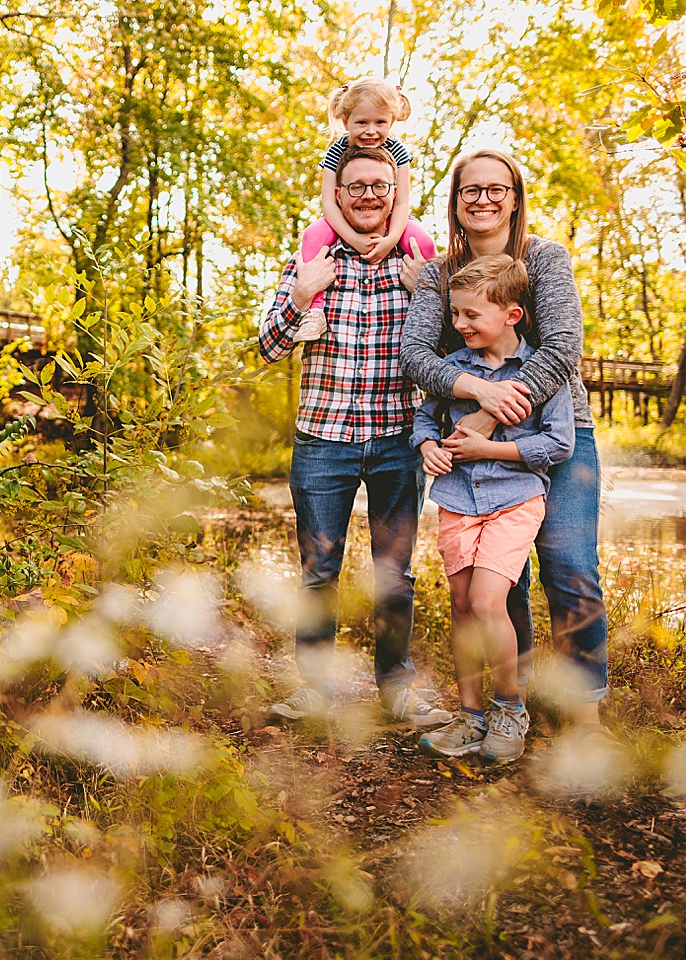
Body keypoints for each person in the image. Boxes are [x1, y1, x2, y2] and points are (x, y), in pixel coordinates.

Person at [400, 148, 610, 732]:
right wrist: (475, 390)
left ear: (515, 197)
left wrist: (494, 413)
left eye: (497, 188)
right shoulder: (441, 275)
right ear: (456, 201)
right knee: (497, 583)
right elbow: (414, 356)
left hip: (556, 431)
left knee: (569, 567)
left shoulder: (544, 258)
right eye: (471, 189)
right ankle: (505, 705)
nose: (484, 199)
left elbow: (564, 347)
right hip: (470, 453)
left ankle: (586, 713)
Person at [259, 142, 450, 730]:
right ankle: (313, 690)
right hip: (323, 441)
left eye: (380, 186)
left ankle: (395, 688)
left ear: (395, 193)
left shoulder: (420, 262)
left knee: (395, 573)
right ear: (337, 195)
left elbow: (455, 353)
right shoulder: (312, 259)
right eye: (357, 185)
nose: (369, 194)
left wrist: (430, 296)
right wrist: (298, 297)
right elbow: (268, 348)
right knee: (319, 570)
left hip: (398, 438)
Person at [410, 255, 574, 763]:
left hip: (515, 500)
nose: (458, 325)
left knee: (486, 603)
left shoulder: (541, 374)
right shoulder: (454, 370)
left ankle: (509, 708)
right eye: (455, 315)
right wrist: (428, 448)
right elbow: (424, 419)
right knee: (461, 606)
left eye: (470, 316)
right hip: (457, 499)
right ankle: (470, 714)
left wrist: (490, 449)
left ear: (511, 315)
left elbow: (559, 444)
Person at [293, 78, 438, 346]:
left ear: (391, 121)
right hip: (339, 220)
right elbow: (329, 202)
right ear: (346, 121)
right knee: (312, 237)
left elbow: (402, 202)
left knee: (425, 244)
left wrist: (391, 240)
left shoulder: (397, 150)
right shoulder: (337, 150)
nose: (371, 131)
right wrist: (353, 239)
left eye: (380, 123)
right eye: (362, 123)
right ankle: (315, 310)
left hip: (395, 220)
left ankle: (430, 312)